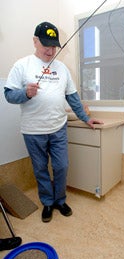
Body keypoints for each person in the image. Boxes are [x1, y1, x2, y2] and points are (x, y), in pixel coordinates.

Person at [4, 21, 103, 223]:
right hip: (32, 131)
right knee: (40, 169)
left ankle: (60, 200)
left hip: (58, 128)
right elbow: (9, 95)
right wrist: (25, 93)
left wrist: (86, 119)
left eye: (53, 46)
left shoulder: (62, 69)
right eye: (46, 45)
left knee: (61, 166)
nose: (50, 50)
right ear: (35, 41)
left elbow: (73, 98)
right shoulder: (22, 65)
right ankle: (47, 202)